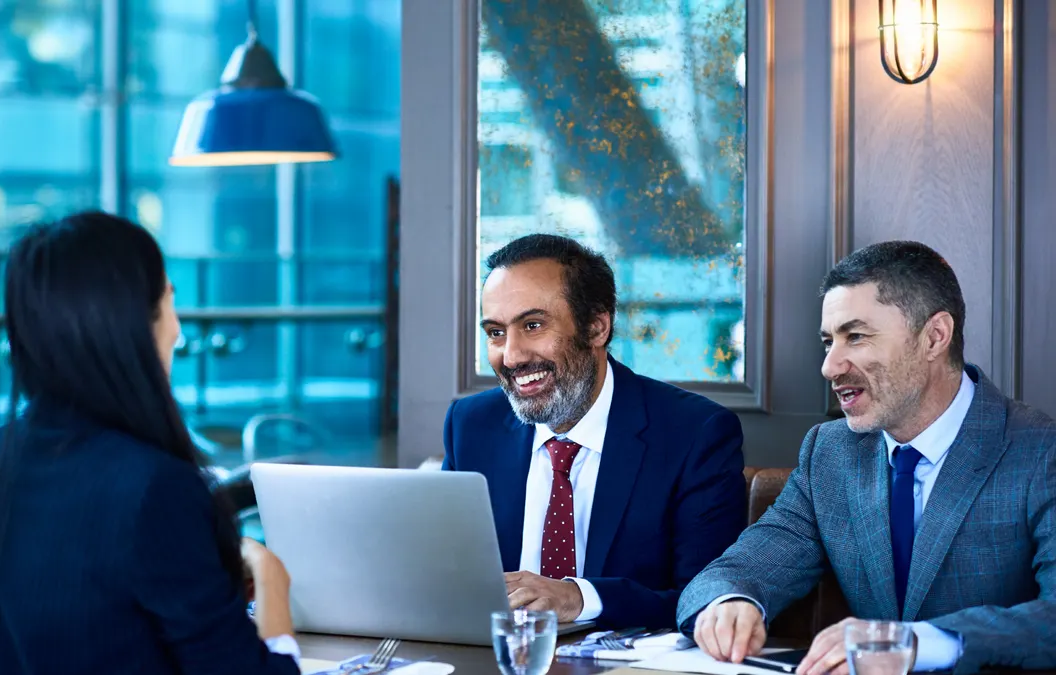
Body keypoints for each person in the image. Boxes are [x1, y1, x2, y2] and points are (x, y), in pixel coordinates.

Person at [0, 212, 300, 675]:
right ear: (131, 324)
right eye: (170, 301)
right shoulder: (156, 488)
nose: (180, 331)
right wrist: (272, 581)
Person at [678, 241, 1056, 674]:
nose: (830, 366)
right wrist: (731, 602)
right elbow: (738, 569)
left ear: (934, 337)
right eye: (828, 342)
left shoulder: (1041, 452)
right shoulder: (830, 452)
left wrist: (917, 644)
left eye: (855, 336)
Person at [443, 234, 747, 629]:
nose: (511, 355)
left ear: (596, 327)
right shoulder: (470, 425)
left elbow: (705, 601)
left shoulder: (696, 434)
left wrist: (579, 597)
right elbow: (446, 577)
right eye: (496, 332)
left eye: (532, 325)